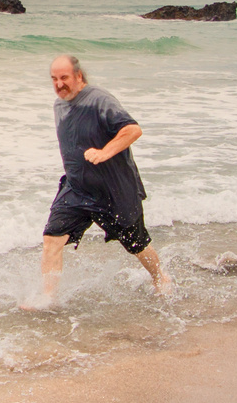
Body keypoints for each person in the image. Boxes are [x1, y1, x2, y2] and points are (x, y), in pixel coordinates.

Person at [25, 53, 171, 308]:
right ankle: (48, 297)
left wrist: (104, 152)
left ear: (79, 76)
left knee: (137, 244)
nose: (59, 84)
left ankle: (160, 277)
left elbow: (132, 129)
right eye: (54, 79)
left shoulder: (99, 100)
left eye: (64, 78)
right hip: (77, 189)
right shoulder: (59, 105)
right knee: (52, 238)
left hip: (113, 190)